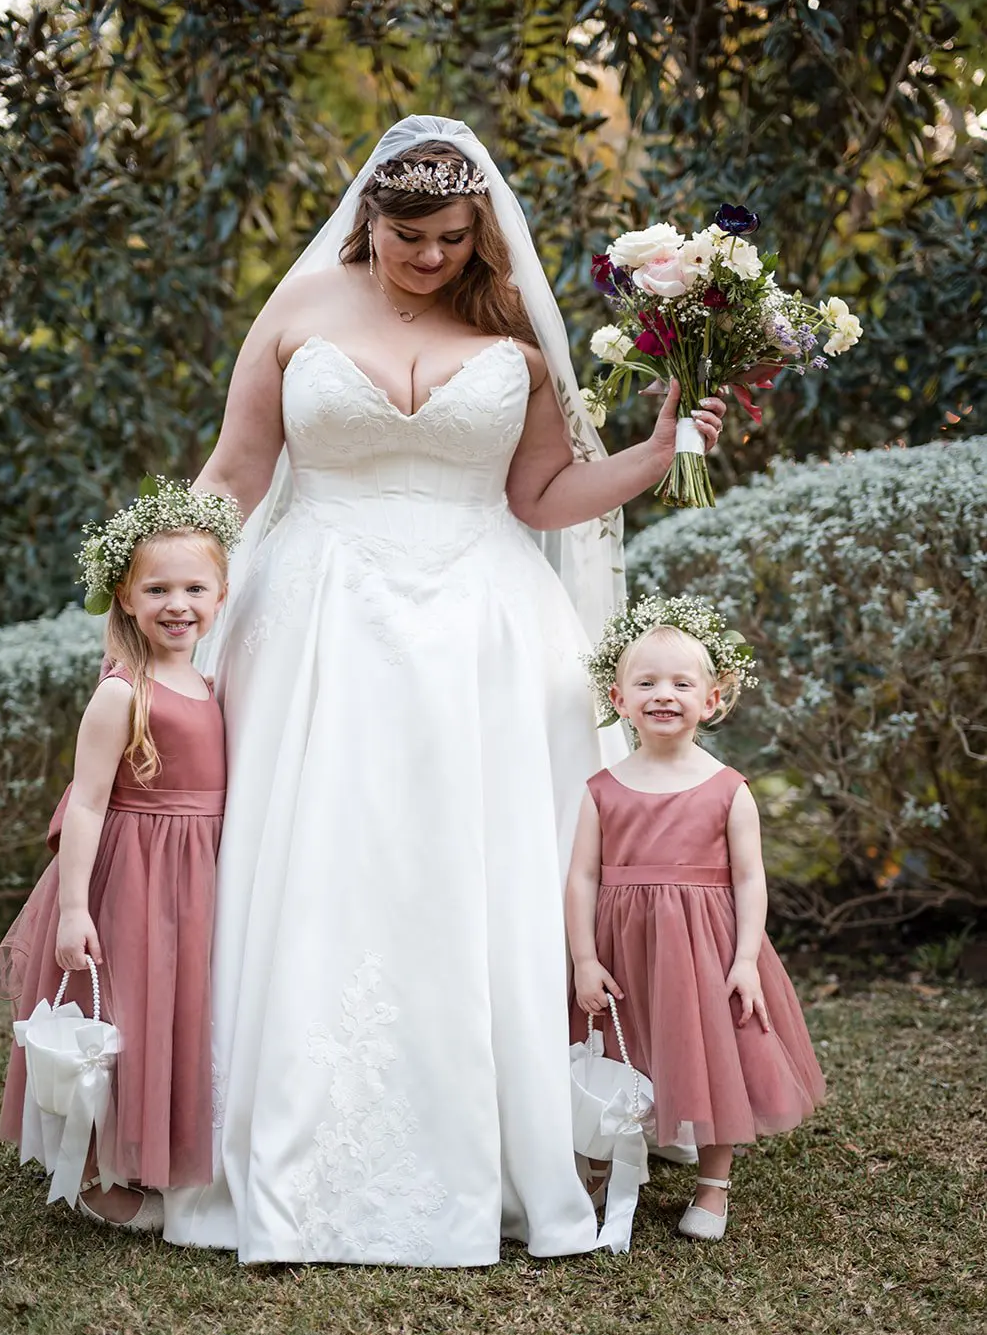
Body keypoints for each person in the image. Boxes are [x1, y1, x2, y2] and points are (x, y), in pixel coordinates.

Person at [161, 115, 729, 1267]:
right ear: (367, 220)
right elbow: (235, 470)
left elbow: (544, 493)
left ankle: (511, 1134)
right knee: (319, 859)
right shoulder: (300, 312)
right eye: (411, 236)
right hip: (314, 616)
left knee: (485, 868)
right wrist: (159, 584)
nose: (431, 258)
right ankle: (285, 1146)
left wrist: (657, 453)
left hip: (482, 627)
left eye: (454, 238)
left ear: (482, 230)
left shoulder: (509, 322)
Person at [0, 480, 240, 1230]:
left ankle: (153, 1159)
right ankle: (98, 1176)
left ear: (221, 595)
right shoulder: (122, 693)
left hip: (192, 877)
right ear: (125, 599)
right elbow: (90, 802)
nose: (177, 604)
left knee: (176, 1013)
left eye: (194, 587)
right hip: (129, 877)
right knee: (124, 1015)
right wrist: (74, 909)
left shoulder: (208, 683)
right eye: (156, 588)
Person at [566, 595, 826, 1240]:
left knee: (712, 1051)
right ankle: (599, 1161)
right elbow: (583, 876)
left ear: (712, 700)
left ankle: (713, 1185)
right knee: (619, 1048)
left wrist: (744, 959)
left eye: (683, 683)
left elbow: (748, 877)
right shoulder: (602, 788)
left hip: (706, 945)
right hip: (622, 945)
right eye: (646, 682)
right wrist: (583, 957)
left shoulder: (728, 788)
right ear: (618, 698)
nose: (664, 694)